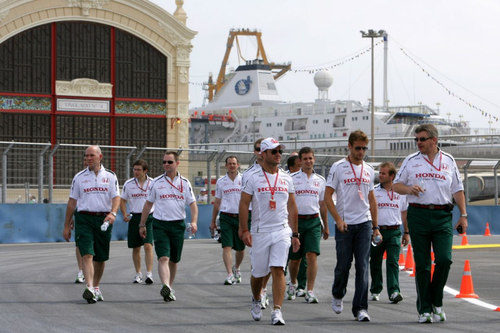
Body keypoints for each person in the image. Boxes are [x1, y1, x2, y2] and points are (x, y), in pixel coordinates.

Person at [393, 124, 467, 323]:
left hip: (443, 215)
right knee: (423, 265)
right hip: (418, 215)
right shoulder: (411, 161)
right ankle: (425, 309)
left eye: (422, 139)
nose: (418, 143)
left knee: (444, 260)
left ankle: (436, 300)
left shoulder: (449, 161)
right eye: (416, 139)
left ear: (434, 140)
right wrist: (408, 189)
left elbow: (457, 190)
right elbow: (396, 186)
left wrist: (463, 215)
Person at [239, 137, 300, 325]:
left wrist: (295, 234)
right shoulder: (252, 177)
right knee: (258, 273)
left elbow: (292, 206)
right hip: (260, 231)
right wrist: (244, 230)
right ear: (263, 154)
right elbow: (244, 203)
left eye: (279, 151)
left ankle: (277, 311)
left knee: (278, 269)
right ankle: (257, 298)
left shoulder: (286, 177)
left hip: (281, 230)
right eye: (274, 151)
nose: (278, 155)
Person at [324, 130, 380, 322]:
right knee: (343, 266)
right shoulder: (338, 167)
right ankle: (338, 293)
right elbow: (327, 196)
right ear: (349, 146)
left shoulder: (369, 169)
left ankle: (361, 308)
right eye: (358, 148)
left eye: (364, 148)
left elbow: (372, 199)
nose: (361, 152)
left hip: (364, 223)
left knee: (363, 267)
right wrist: (338, 220)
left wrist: (375, 226)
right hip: (345, 225)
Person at [63, 145, 120, 304]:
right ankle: (88, 287)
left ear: (100, 157)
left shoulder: (110, 176)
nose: (88, 158)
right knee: (87, 254)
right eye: (86, 156)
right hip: (84, 219)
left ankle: (96, 286)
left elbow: (116, 197)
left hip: (103, 219)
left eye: (91, 156)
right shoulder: (79, 177)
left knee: (100, 258)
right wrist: (66, 225)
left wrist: (113, 213)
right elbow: (72, 202)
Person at [139, 151, 198, 302]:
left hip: (178, 224)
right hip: (160, 225)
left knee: (174, 259)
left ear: (177, 163)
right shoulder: (156, 183)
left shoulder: (184, 183)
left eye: (169, 162)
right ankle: (165, 284)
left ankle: (169, 288)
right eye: (164, 162)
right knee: (163, 257)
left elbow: (192, 204)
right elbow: (148, 204)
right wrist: (142, 224)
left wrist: (194, 221)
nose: (166, 164)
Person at [287, 147, 328, 304]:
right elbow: (288, 204)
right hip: (296, 222)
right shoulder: (292, 178)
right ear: (300, 161)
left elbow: (322, 204)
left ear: (314, 159)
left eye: (310, 158)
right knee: (295, 259)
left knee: (311, 256)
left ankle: (310, 290)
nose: (308, 161)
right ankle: (293, 282)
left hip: (314, 222)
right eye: (305, 159)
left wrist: (326, 226)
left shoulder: (320, 180)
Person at [369, 162, 409, 303]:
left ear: (392, 176)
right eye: (380, 173)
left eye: (383, 173)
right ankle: (375, 289)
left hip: (394, 232)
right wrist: (374, 229)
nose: (380, 175)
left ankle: (394, 291)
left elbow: (404, 213)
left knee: (393, 262)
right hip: (378, 232)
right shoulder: (374, 191)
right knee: (375, 261)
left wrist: (407, 232)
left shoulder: (400, 193)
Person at [242, 138, 271, 309]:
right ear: (255, 151)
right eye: (258, 149)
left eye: (265, 149)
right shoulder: (248, 174)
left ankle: (264, 288)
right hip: (256, 219)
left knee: (272, 262)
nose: (261, 152)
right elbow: (244, 202)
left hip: (272, 219)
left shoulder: (276, 171)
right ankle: (257, 291)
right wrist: (244, 226)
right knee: (259, 260)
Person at [210, 156, 244, 285]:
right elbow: (217, 201)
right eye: (229, 164)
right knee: (226, 246)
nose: (232, 166)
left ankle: (237, 267)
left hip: (241, 217)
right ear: (226, 166)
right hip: (226, 217)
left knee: (240, 249)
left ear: (238, 165)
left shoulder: (244, 179)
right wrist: (213, 221)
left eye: (234, 163)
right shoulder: (221, 181)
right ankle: (229, 274)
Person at [120, 159, 155, 284]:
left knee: (148, 245)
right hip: (134, 217)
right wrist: (124, 214)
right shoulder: (128, 184)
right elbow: (122, 200)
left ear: (145, 171)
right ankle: (138, 273)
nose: (136, 172)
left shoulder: (153, 183)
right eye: (134, 169)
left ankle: (149, 273)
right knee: (136, 247)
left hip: (149, 217)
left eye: (139, 169)